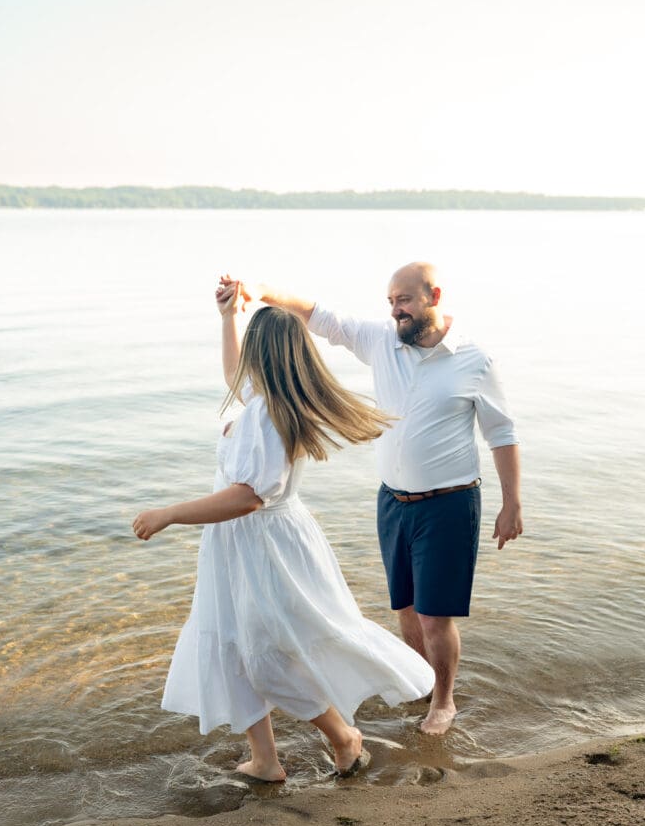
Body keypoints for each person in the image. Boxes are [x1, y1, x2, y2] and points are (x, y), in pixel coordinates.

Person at [132, 287, 434, 783]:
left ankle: (343, 736)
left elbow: (249, 496)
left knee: (267, 657)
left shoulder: (269, 417)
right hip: (239, 546)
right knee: (234, 646)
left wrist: (169, 513)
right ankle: (266, 760)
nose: (242, 364)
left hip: (265, 546)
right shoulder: (267, 400)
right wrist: (228, 317)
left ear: (263, 355)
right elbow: (233, 376)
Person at [220, 262, 522, 736]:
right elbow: (321, 317)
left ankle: (443, 702)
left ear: (433, 296)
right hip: (393, 502)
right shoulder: (383, 341)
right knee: (404, 610)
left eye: (403, 300)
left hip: (449, 503)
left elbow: (501, 433)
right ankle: (418, 686)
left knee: (434, 616)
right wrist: (259, 292)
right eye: (390, 301)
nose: (395, 310)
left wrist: (512, 504)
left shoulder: (474, 360)